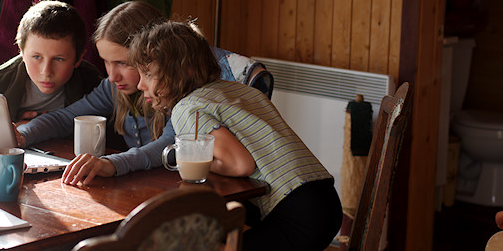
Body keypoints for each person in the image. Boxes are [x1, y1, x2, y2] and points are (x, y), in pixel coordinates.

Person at [129, 20, 343, 251]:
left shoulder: (187, 108)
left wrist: (191, 159)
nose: (140, 84)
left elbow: (241, 165)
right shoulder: (236, 90)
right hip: (324, 200)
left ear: (182, 71)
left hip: (296, 212)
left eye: (148, 74)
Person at [15, 0, 170, 185]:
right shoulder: (112, 89)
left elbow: (168, 144)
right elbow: (65, 118)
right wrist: (22, 134)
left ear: (153, 55)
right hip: (140, 187)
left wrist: (111, 164)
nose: (112, 76)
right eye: (106, 61)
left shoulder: (180, 95)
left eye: (123, 63)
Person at [0, 0, 103, 123]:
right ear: (21, 53)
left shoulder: (93, 84)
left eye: (59, 59)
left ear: (78, 59)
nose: (46, 71)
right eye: (36, 57)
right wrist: (10, 128)